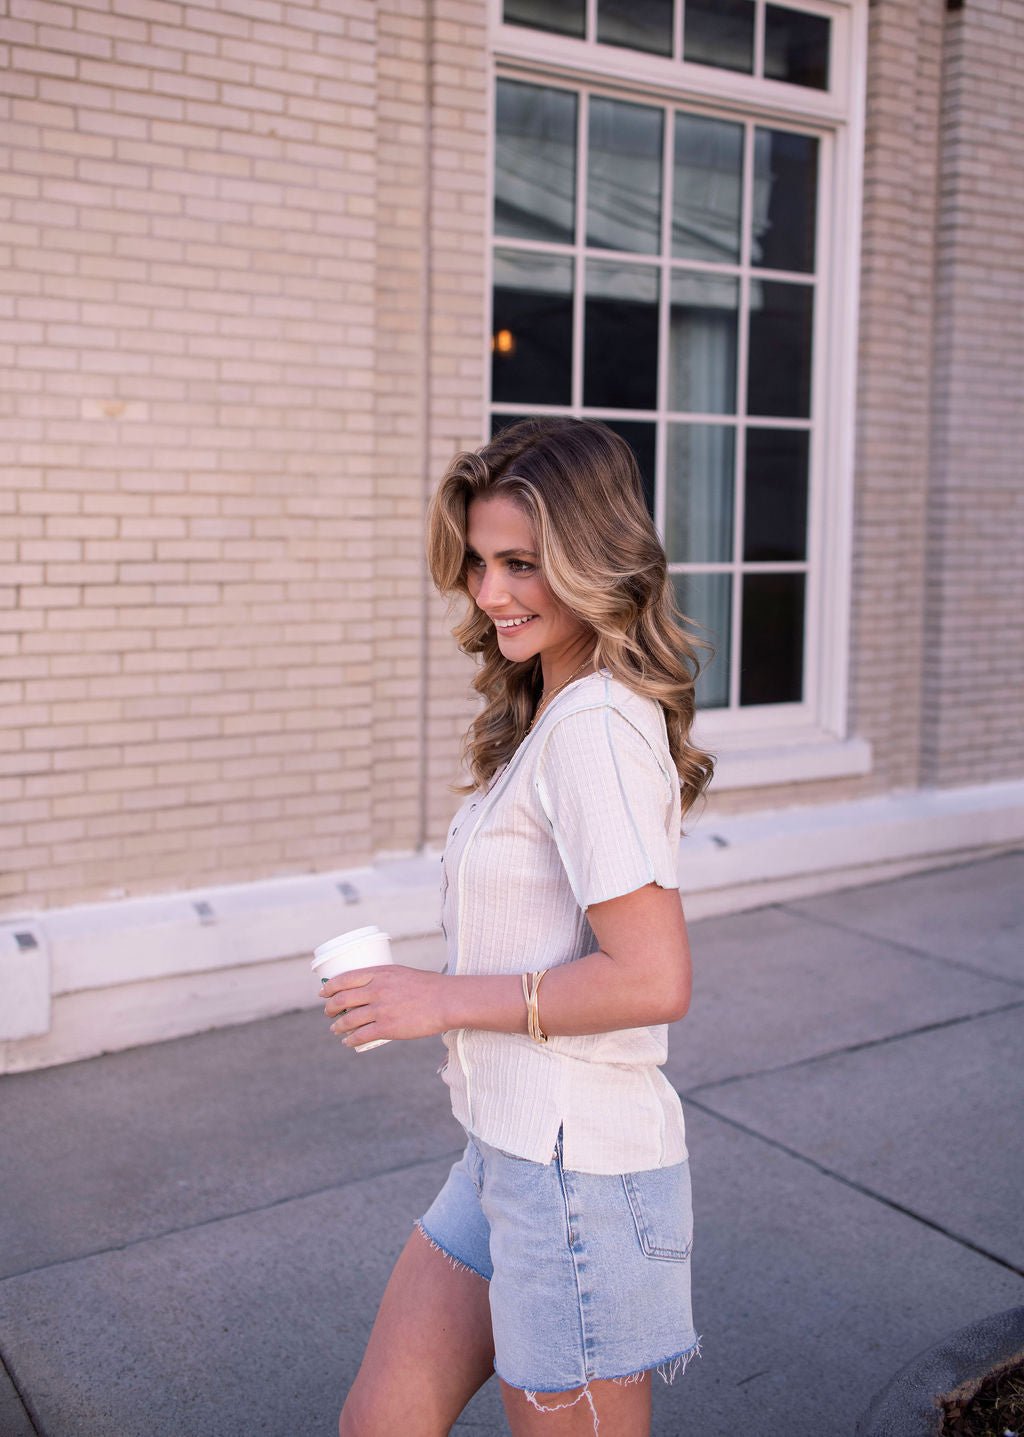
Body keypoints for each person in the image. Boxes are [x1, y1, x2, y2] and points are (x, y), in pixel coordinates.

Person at [324, 417, 714, 1437]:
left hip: (576, 1171)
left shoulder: (594, 727)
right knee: (380, 1421)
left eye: (522, 564)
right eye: (480, 562)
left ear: (590, 561)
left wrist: (437, 999)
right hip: (506, 1149)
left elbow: (652, 977)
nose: (490, 592)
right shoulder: (551, 717)